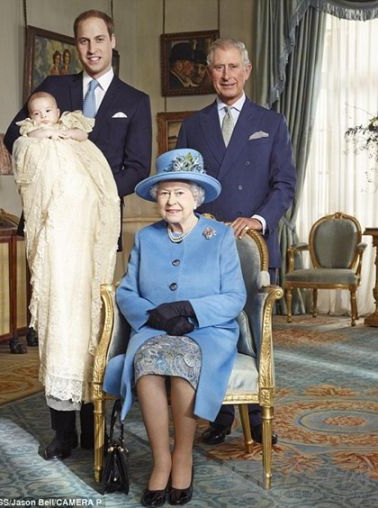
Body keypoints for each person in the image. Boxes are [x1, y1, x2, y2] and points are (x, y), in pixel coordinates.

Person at [4, 9, 152, 461]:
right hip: (53, 235)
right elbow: (15, 136)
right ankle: (62, 432)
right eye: (84, 41)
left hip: (97, 232)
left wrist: (94, 193)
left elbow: (137, 168)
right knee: (56, 325)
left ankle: (95, 427)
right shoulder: (54, 89)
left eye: (99, 39)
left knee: (94, 326)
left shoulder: (135, 99)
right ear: (76, 46)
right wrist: (47, 143)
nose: (92, 48)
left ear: (112, 40)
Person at [103, 148, 247, 507]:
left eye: (180, 192)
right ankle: (161, 460)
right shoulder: (147, 237)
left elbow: (234, 297)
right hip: (154, 328)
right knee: (148, 367)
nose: (171, 201)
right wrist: (153, 316)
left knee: (183, 365)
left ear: (195, 197)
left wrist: (188, 309)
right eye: (164, 193)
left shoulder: (221, 236)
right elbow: (126, 290)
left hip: (207, 330)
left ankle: (183, 457)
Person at [176, 38, 296, 446]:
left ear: (246, 71)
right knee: (213, 329)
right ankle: (221, 413)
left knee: (257, 334)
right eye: (218, 68)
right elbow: (182, 186)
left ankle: (262, 418)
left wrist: (259, 220)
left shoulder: (272, 122)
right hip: (207, 246)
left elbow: (284, 185)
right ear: (209, 73)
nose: (226, 75)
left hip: (254, 246)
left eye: (233, 67)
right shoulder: (193, 126)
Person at [12, 88, 120, 461]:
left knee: (94, 334)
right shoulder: (30, 142)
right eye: (36, 113)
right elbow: (28, 179)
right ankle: (63, 433)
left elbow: (103, 182)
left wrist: (67, 133)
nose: (43, 117)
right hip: (58, 254)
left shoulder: (77, 135)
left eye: (48, 111)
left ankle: (93, 428)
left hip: (90, 252)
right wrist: (42, 135)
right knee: (61, 336)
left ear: (58, 111)